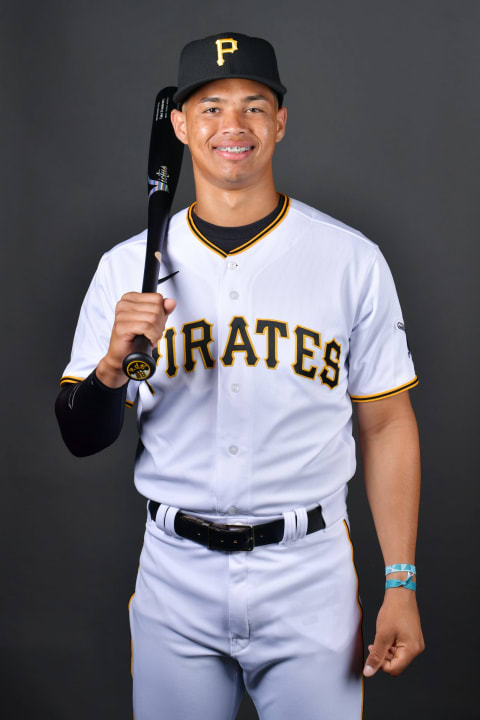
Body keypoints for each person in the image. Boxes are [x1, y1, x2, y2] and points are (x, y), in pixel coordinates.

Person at [56, 32, 424, 720]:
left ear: (280, 123)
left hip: (308, 574)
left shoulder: (350, 259)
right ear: (180, 126)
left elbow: (386, 421)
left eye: (255, 107)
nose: (233, 126)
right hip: (175, 576)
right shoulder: (126, 268)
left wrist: (400, 580)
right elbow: (82, 434)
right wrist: (111, 367)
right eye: (212, 106)